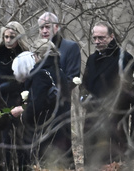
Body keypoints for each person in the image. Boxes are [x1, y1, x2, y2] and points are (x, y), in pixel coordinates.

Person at [81, 22, 133, 167]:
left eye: (101, 38)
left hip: (113, 118)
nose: (97, 41)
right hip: (91, 115)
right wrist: (84, 99)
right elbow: (84, 85)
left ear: (111, 36)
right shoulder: (92, 59)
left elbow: (128, 90)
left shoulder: (124, 58)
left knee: (112, 158)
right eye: (95, 38)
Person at [10, 40, 68, 169]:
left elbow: (35, 108)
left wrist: (23, 112)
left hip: (46, 132)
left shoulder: (41, 74)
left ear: (38, 55)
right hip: (62, 130)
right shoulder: (60, 72)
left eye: (33, 55)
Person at [0, 21, 32, 170]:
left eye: (12, 36)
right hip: (0, 105)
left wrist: (24, 105)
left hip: (20, 105)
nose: (9, 40)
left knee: (22, 149)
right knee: (4, 149)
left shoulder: (27, 56)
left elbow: (31, 83)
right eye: (6, 36)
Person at [36, 12, 79, 169]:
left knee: (63, 147)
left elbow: (73, 77)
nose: (44, 31)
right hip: (40, 108)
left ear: (57, 27)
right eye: (41, 27)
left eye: (47, 27)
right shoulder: (36, 48)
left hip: (61, 105)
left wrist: (52, 94)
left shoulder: (70, 47)